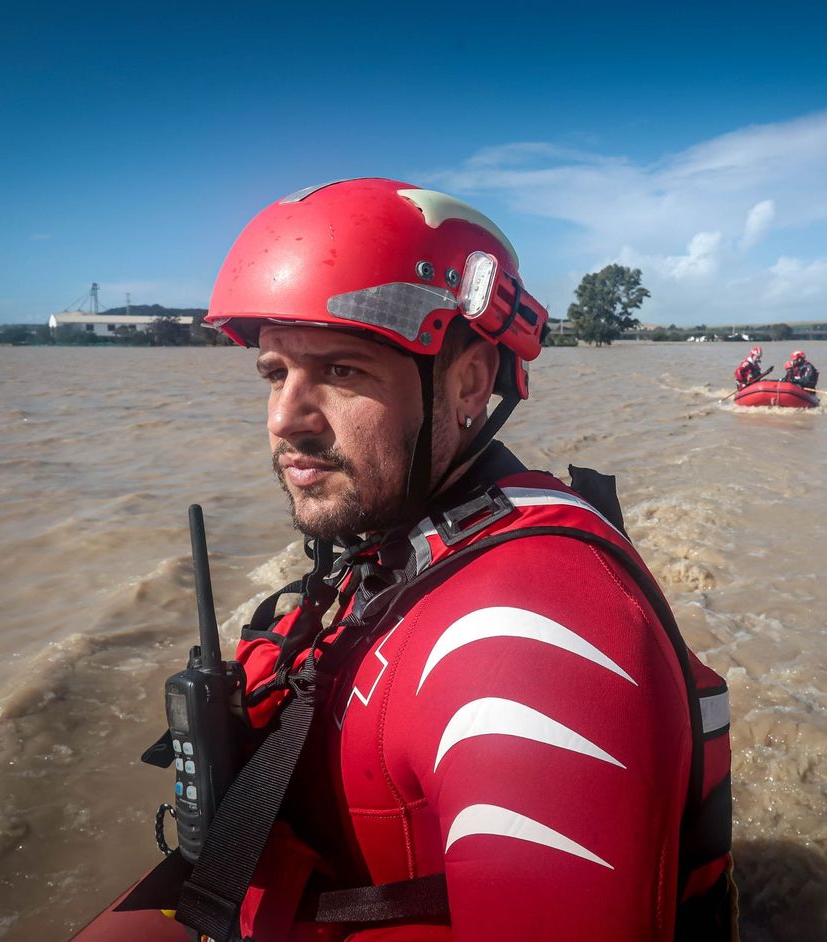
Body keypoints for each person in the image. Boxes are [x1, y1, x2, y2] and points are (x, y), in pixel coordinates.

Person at [158, 179, 735, 942]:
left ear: (466, 382)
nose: (284, 419)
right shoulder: (399, 545)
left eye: (340, 371)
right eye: (275, 373)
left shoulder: (528, 640)